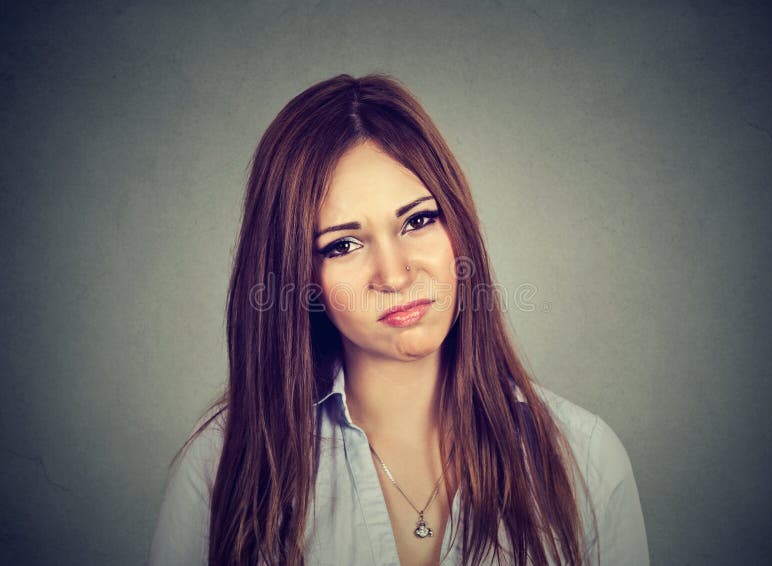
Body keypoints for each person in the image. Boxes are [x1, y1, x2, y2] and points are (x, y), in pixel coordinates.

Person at [148, 73, 649, 566]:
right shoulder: (220, 469)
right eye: (343, 245)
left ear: (459, 225)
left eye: (417, 220)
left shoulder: (585, 460)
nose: (394, 274)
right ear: (300, 276)